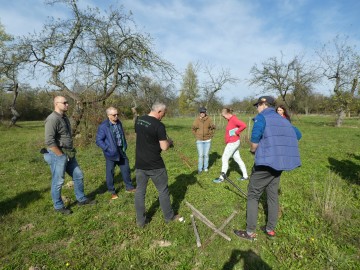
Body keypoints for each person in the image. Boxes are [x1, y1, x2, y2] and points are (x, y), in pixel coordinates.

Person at [234, 96, 301, 241]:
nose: (257, 108)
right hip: (279, 164)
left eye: (257, 105)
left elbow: (255, 138)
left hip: (265, 164)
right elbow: (298, 134)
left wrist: (253, 150)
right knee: (272, 195)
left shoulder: (261, 118)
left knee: (253, 195)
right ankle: (270, 229)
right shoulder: (283, 119)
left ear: (263, 104)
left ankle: (250, 232)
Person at [134, 102, 183, 227]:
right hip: (155, 164)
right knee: (163, 190)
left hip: (140, 163)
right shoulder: (159, 125)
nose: (164, 116)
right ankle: (169, 217)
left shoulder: (139, 120)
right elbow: (164, 147)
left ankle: (140, 221)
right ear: (159, 112)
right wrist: (169, 141)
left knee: (140, 192)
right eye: (164, 113)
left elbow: (142, 137)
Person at [43, 96, 95, 215]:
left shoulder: (64, 117)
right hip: (58, 154)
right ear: (56, 104)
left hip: (69, 153)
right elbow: (49, 141)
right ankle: (58, 206)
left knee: (78, 175)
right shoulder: (52, 119)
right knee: (58, 181)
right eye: (65, 103)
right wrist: (60, 155)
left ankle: (81, 199)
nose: (67, 104)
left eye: (67, 102)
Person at [96, 107, 136, 200]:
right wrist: (107, 148)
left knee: (126, 169)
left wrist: (124, 145)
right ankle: (112, 191)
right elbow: (98, 140)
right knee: (110, 172)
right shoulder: (103, 126)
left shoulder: (119, 123)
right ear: (108, 115)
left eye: (117, 114)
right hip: (111, 153)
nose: (116, 116)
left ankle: (129, 187)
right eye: (114, 115)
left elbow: (121, 135)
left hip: (121, 150)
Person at [213, 108, 248, 183]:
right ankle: (245, 176)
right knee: (238, 159)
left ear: (227, 114)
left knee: (224, 158)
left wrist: (237, 132)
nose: (223, 117)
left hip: (233, 142)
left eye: (223, 116)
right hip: (234, 142)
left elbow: (244, 125)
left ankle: (221, 178)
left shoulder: (233, 119)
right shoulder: (230, 120)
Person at [192, 107, 216, 174]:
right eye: (201, 112)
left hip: (207, 140)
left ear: (205, 113)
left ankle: (205, 168)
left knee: (206, 155)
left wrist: (211, 134)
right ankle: (200, 168)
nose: (202, 114)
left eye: (203, 112)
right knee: (200, 155)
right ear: (199, 113)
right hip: (199, 140)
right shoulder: (197, 120)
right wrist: (196, 135)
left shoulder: (209, 119)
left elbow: (213, 128)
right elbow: (193, 128)